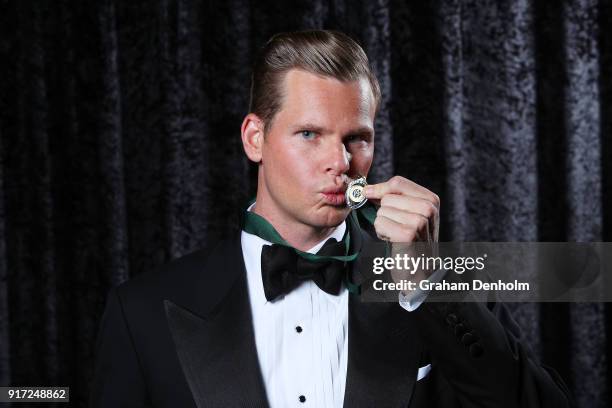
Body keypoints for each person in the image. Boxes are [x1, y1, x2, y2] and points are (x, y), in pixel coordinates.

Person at [90, 30, 572, 407]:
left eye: (356, 138)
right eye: (309, 134)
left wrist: (426, 287)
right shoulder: (143, 311)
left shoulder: (451, 284)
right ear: (255, 138)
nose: (340, 162)